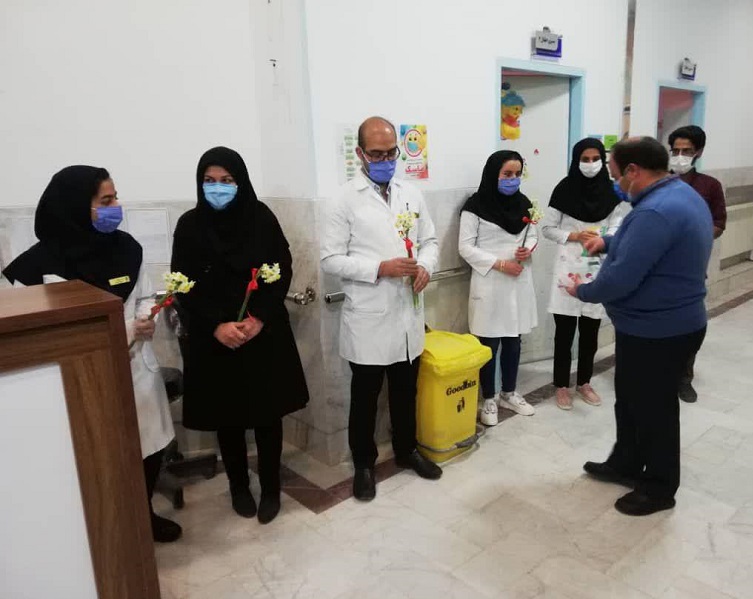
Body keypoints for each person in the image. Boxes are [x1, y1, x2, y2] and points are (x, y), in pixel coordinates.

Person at [3, 166, 181, 542]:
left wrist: (144, 318)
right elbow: (35, 335)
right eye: (106, 200)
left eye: (115, 197)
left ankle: (143, 515)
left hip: (136, 372)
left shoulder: (127, 249)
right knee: (95, 458)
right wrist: (127, 329)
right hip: (77, 380)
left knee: (147, 448)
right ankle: (107, 531)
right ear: (74, 206)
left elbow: (144, 295)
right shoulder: (33, 269)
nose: (116, 206)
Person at [565, 137, 713, 516]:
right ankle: (626, 463)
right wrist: (608, 242)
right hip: (657, 326)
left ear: (634, 171)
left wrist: (582, 291)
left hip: (660, 331)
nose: (616, 183)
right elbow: (646, 243)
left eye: (616, 175)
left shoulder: (655, 211)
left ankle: (660, 489)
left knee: (654, 411)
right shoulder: (677, 195)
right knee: (631, 400)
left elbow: (621, 280)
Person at [170, 147, 309, 524]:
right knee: (227, 418)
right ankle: (239, 487)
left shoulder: (261, 218)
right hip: (215, 337)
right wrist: (217, 325)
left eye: (226, 181)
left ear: (241, 182)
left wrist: (258, 317)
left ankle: (271, 489)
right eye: (209, 181)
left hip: (261, 333)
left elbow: (281, 268)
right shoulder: (189, 226)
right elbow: (183, 284)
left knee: (267, 416)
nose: (217, 188)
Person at [320, 116, 442, 501]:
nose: (386, 160)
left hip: (407, 312)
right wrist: (379, 268)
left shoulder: (411, 193)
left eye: (392, 153)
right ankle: (363, 465)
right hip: (369, 318)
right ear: (360, 153)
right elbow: (330, 259)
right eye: (377, 154)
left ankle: (407, 451)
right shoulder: (344, 200)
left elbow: (430, 240)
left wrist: (426, 267)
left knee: (406, 392)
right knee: (366, 399)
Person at [542, 138, 626, 411]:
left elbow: (617, 226)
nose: (590, 164)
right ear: (576, 160)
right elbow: (548, 229)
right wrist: (574, 235)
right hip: (568, 266)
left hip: (596, 265)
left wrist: (603, 238)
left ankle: (584, 382)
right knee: (564, 333)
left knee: (590, 332)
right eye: (584, 159)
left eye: (595, 159)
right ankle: (561, 385)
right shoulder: (564, 189)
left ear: (603, 160)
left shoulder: (613, 191)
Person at [459, 150, 538, 426]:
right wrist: (500, 264)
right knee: (489, 342)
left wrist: (528, 249)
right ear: (494, 174)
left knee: (513, 340)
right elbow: (465, 247)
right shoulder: (474, 206)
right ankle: (489, 398)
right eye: (507, 174)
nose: (512, 179)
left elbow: (532, 234)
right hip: (491, 281)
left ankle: (509, 393)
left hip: (518, 282)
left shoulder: (525, 204)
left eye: (517, 174)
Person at [668, 125, 727, 403]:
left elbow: (719, 223)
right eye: (676, 150)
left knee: (688, 326)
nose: (680, 156)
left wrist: (695, 236)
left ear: (698, 152)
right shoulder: (659, 182)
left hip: (690, 269)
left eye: (687, 151)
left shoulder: (709, 186)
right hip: (656, 268)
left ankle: (684, 378)